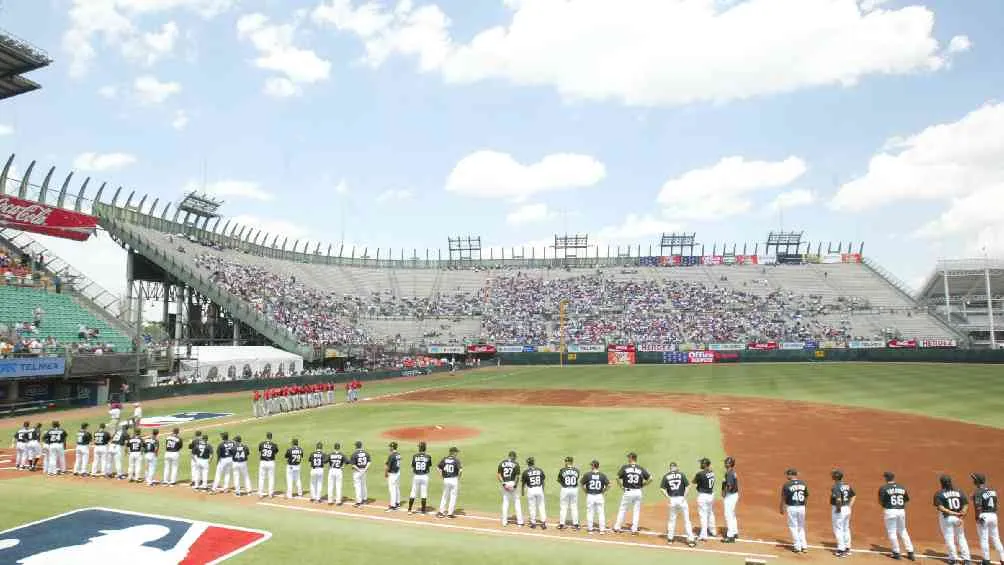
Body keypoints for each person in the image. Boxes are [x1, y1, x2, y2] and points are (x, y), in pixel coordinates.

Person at [878, 471, 915, 561]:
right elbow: (906, 499)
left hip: (890, 511)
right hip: (901, 511)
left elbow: (881, 501)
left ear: (886, 478)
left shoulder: (883, 488)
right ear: (893, 478)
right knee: (903, 530)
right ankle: (910, 552)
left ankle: (896, 552)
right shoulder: (901, 487)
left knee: (892, 532)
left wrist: (885, 506)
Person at [934, 474, 971, 565]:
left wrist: (953, 513)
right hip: (958, 518)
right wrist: (961, 514)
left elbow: (941, 508)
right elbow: (965, 504)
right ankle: (967, 559)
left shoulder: (939, 493)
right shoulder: (959, 491)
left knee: (949, 538)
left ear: (941, 483)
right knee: (961, 537)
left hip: (947, 518)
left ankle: (953, 559)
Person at [614, 452, 651, 535]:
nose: (628, 459)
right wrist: (643, 485)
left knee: (623, 509)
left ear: (631, 458)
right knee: (636, 510)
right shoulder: (640, 468)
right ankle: (634, 529)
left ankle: (617, 527)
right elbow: (650, 478)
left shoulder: (625, 467)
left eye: (628, 457)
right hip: (638, 491)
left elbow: (617, 478)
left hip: (628, 491)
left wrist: (621, 487)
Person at [661, 462, 696, 546]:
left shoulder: (666, 476)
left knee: (672, 520)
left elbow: (662, 489)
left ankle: (670, 539)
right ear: (676, 467)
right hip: (681, 499)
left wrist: (668, 497)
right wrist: (684, 497)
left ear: (670, 468)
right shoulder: (681, 475)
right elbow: (688, 487)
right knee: (686, 520)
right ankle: (691, 540)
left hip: (672, 499)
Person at [971, 473, 1001, 565]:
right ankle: (1003, 558)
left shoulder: (978, 492)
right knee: (996, 538)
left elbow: (978, 507)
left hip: (983, 516)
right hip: (993, 515)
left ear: (977, 481)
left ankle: (986, 561)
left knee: (984, 539)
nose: (973, 481)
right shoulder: (992, 491)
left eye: (974, 479)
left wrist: (977, 517)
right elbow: (995, 503)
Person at [780, 468, 809, 553]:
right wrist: (804, 505)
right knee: (801, 527)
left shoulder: (787, 485)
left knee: (793, 527)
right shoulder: (803, 483)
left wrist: (781, 507)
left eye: (787, 474)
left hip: (792, 507)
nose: (786, 476)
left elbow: (783, 498)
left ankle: (797, 547)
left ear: (791, 475)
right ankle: (804, 546)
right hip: (802, 507)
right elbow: (806, 496)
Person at [831, 469, 856, 557]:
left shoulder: (836, 487)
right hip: (847, 509)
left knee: (838, 529)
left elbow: (838, 500)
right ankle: (847, 548)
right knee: (846, 528)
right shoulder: (847, 486)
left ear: (834, 478)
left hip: (840, 509)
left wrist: (838, 509)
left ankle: (841, 550)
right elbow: (853, 495)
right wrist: (849, 506)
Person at [582, 459, 610, 534]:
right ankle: (602, 530)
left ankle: (590, 530)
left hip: (590, 496)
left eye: (591, 465)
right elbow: (609, 485)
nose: (591, 466)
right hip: (599, 496)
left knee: (590, 513)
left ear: (593, 466)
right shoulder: (602, 475)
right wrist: (603, 491)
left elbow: (581, 484)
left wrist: (585, 491)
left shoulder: (587, 475)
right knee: (601, 513)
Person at [497, 450, 523, 527]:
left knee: (505, 502)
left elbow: (499, 475)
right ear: (513, 456)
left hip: (505, 483)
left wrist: (503, 484)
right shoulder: (516, 464)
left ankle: (504, 522)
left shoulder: (502, 463)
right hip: (512, 482)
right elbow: (517, 477)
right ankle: (520, 522)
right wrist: (515, 485)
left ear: (509, 456)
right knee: (517, 502)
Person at [694, 457, 717, 541]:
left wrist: (698, 486)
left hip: (703, 496)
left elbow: (694, 482)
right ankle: (713, 531)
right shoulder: (712, 473)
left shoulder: (700, 474)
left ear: (704, 464)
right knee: (710, 513)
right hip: (711, 496)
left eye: (701, 463)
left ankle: (704, 535)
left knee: (703, 515)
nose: (700, 464)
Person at [522, 456, 546, 529]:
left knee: (532, 507)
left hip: (531, 490)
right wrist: (542, 490)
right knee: (541, 506)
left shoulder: (525, 472)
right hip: (539, 489)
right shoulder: (540, 470)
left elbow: (523, 484)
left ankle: (533, 523)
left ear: (527, 463)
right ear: (534, 462)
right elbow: (543, 482)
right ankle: (543, 523)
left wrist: (522, 492)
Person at [408, 442, 432, 514]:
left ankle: (409, 509)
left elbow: (412, 465)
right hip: (424, 476)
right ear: (425, 448)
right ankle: (423, 510)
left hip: (416, 476)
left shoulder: (415, 456)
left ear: (419, 448)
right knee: (424, 493)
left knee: (413, 492)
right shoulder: (428, 456)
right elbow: (429, 465)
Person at [557, 456, 581, 530]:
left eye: (566, 461)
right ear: (572, 462)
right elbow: (577, 478)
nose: (565, 462)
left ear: (567, 462)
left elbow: (559, 480)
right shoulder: (577, 470)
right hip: (574, 489)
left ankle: (561, 524)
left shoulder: (562, 470)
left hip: (565, 489)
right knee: (574, 506)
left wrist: (564, 484)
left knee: (563, 506)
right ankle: (576, 524)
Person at [722, 456, 740, 543]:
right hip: (734, 495)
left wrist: (724, 493)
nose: (724, 463)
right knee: (732, 514)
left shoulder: (729, 473)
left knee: (728, 515)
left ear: (729, 464)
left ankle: (730, 536)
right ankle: (735, 532)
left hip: (730, 496)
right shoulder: (732, 471)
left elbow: (729, 486)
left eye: (726, 462)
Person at [258, 432, 279, 498]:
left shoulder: (261, 444)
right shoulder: (274, 445)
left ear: (266, 437)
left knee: (261, 478)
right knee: (271, 478)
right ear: (271, 437)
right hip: (271, 462)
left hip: (263, 462)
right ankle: (270, 494)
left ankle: (260, 493)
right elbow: (275, 452)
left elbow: (260, 450)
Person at [350, 440, 371, 507]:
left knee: (357, 486)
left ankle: (359, 502)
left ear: (356, 446)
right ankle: (364, 499)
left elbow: (353, 465)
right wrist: (365, 469)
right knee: (363, 485)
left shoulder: (354, 454)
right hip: (364, 471)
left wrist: (359, 470)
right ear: (361, 446)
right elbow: (369, 462)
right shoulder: (366, 453)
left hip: (357, 472)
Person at [385, 442, 402, 511]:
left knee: (392, 489)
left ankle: (393, 505)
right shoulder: (398, 454)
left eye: (390, 447)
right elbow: (400, 459)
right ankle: (397, 503)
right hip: (397, 473)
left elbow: (388, 466)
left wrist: (386, 473)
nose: (389, 448)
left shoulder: (391, 455)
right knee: (397, 488)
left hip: (393, 474)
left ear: (392, 447)